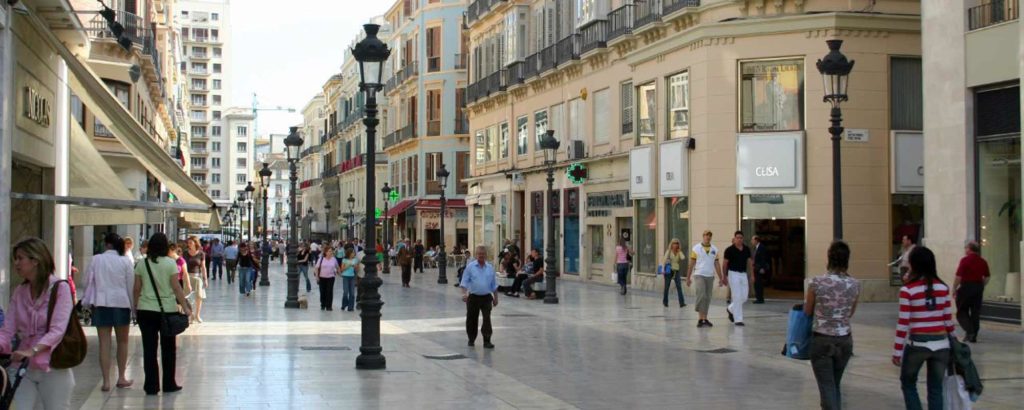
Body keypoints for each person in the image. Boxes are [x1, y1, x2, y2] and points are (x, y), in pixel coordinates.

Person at [0, 238, 76, 409]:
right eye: (15, 258)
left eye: (20, 258)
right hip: (22, 367)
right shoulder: (20, 292)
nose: (16, 263)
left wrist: (32, 350)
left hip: (53, 366)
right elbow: (8, 329)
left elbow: (58, 330)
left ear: (35, 260)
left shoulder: (60, 288)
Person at [893, 246, 956, 410]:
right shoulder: (943, 288)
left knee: (908, 383)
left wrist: (897, 351)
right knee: (935, 389)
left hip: (917, 344)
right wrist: (953, 343)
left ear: (914, 264)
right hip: (941, 344)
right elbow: (948, 321)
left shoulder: (908, 290)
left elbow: (903, 323)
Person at [804, 241, 860, 410]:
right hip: (844, 339)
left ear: (829, 258)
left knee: (827, 386)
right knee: (834, 384)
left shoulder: (816, 282)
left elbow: (808, 311)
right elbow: (850, 312)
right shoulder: (855, 284)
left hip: (822, 338)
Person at [133, 233, 191, 396]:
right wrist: (185, 306)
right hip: (167, 310)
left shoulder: (142, 264)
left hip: (146, 310)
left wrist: (134, 306)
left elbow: (136, 288)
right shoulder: (170, 263)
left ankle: (151, 386)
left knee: (149, 349)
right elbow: (176, 287)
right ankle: (169, 383)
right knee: (168, 349)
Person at [82, 233, 135, 392]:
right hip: (121, 303)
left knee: (104, 343)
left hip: (101, 303)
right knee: (123, 342)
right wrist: (134, 310)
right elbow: (130, 286)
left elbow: (86, 281)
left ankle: (106, 381)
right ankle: (121, 377)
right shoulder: (125, 261)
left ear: (106, 244)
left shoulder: (96, 259)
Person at [460, 246, 499, 349]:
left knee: (487, 319)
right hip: (473, 297)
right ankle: (471, 339)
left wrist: (496, 298)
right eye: (479, 254)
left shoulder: (490, 268)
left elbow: (494, 285)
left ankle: (487, 340)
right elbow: (464, 282)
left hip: (486, 297)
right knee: (472, 319)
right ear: (476, 255)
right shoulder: (470, 267)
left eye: (483, 254)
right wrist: (464, 294)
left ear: (486, 255)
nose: (481, 256)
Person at [953, 240, 989, 343]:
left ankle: (970, 331)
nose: (965, 250)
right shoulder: (983, 261)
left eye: (966, 248)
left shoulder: (965, 260)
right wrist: (982, 285)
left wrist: (954, 288)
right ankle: (973, 334)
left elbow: (958, 276)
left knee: (961, 311)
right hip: (978, 287)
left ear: (969, 249)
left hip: (966, 287)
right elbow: (987, 276)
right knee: (975, 312)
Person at [688, 230, 724, 328]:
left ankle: (704, 318)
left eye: (709, 236)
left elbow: (716, 264)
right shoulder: (696, 248)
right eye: (706, 235)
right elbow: (691, 263)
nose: (708, 237)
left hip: (710, 275)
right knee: (702, 294)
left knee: (707, 297)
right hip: (699, 274)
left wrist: (721, 278)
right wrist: (688, 277)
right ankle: (700, 317)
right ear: (703, 236)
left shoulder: (714, 250)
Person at [722, 231, 753, 326]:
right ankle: (738, 319)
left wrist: (752, 275)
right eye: (737, 238)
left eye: (741, 238)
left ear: (743, 239)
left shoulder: (746, 249)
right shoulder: (729, 250)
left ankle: (730, 308)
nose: (739, 239)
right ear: (734, 239)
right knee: (736, 296)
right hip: (733, 273)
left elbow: (750, 262)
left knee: (744, 297)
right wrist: (724, 276)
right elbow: (725, 264)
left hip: (743, 274)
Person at [184, 237, 208, 323]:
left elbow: (203, 267)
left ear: (195, 243)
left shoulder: (201, 254)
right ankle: (191, 314)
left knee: (199, 297)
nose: (189, 244)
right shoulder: (185, 253)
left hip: (197, 277)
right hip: (186, 276)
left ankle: (197, 315)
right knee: (186, 297)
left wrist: (205, 279)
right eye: (188, 242)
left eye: (191, 242)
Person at [662, 238, 686, 308]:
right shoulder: (668, 251)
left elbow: (683, 258)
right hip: (669, 270)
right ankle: (665, 302)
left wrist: (680, 251)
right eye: (674, 243)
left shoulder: (679, 252)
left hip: (676, 270)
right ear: (671, 244)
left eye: (677, 243)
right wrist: (663, 270)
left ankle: (682, 303)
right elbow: (664, 260)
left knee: (679, 286)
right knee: (667, 287)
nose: (676, 245)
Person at [314, 245, 339, 310]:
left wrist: (340, 273)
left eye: (331, 251)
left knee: (329, 291)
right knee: (322, 291)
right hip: (322, 278)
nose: (331, 252)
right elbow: (316, 268)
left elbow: (337, 267)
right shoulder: (321, 259)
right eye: (329, 251)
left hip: (331, 277)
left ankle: (329, 306)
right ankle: (323, 304)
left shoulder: (334, 259)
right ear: (325, 252)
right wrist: (317, 277)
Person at [752, 235, 770, 304]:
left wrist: (763, 268)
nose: (751, 241)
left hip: (759, 268)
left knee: (759, 284)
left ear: (756, 240)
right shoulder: (756, 248)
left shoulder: (762, 248)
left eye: (752, 240)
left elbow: (763, 259)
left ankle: (760, 298)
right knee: (756, 284)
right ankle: (758, 297)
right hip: (756, 268)